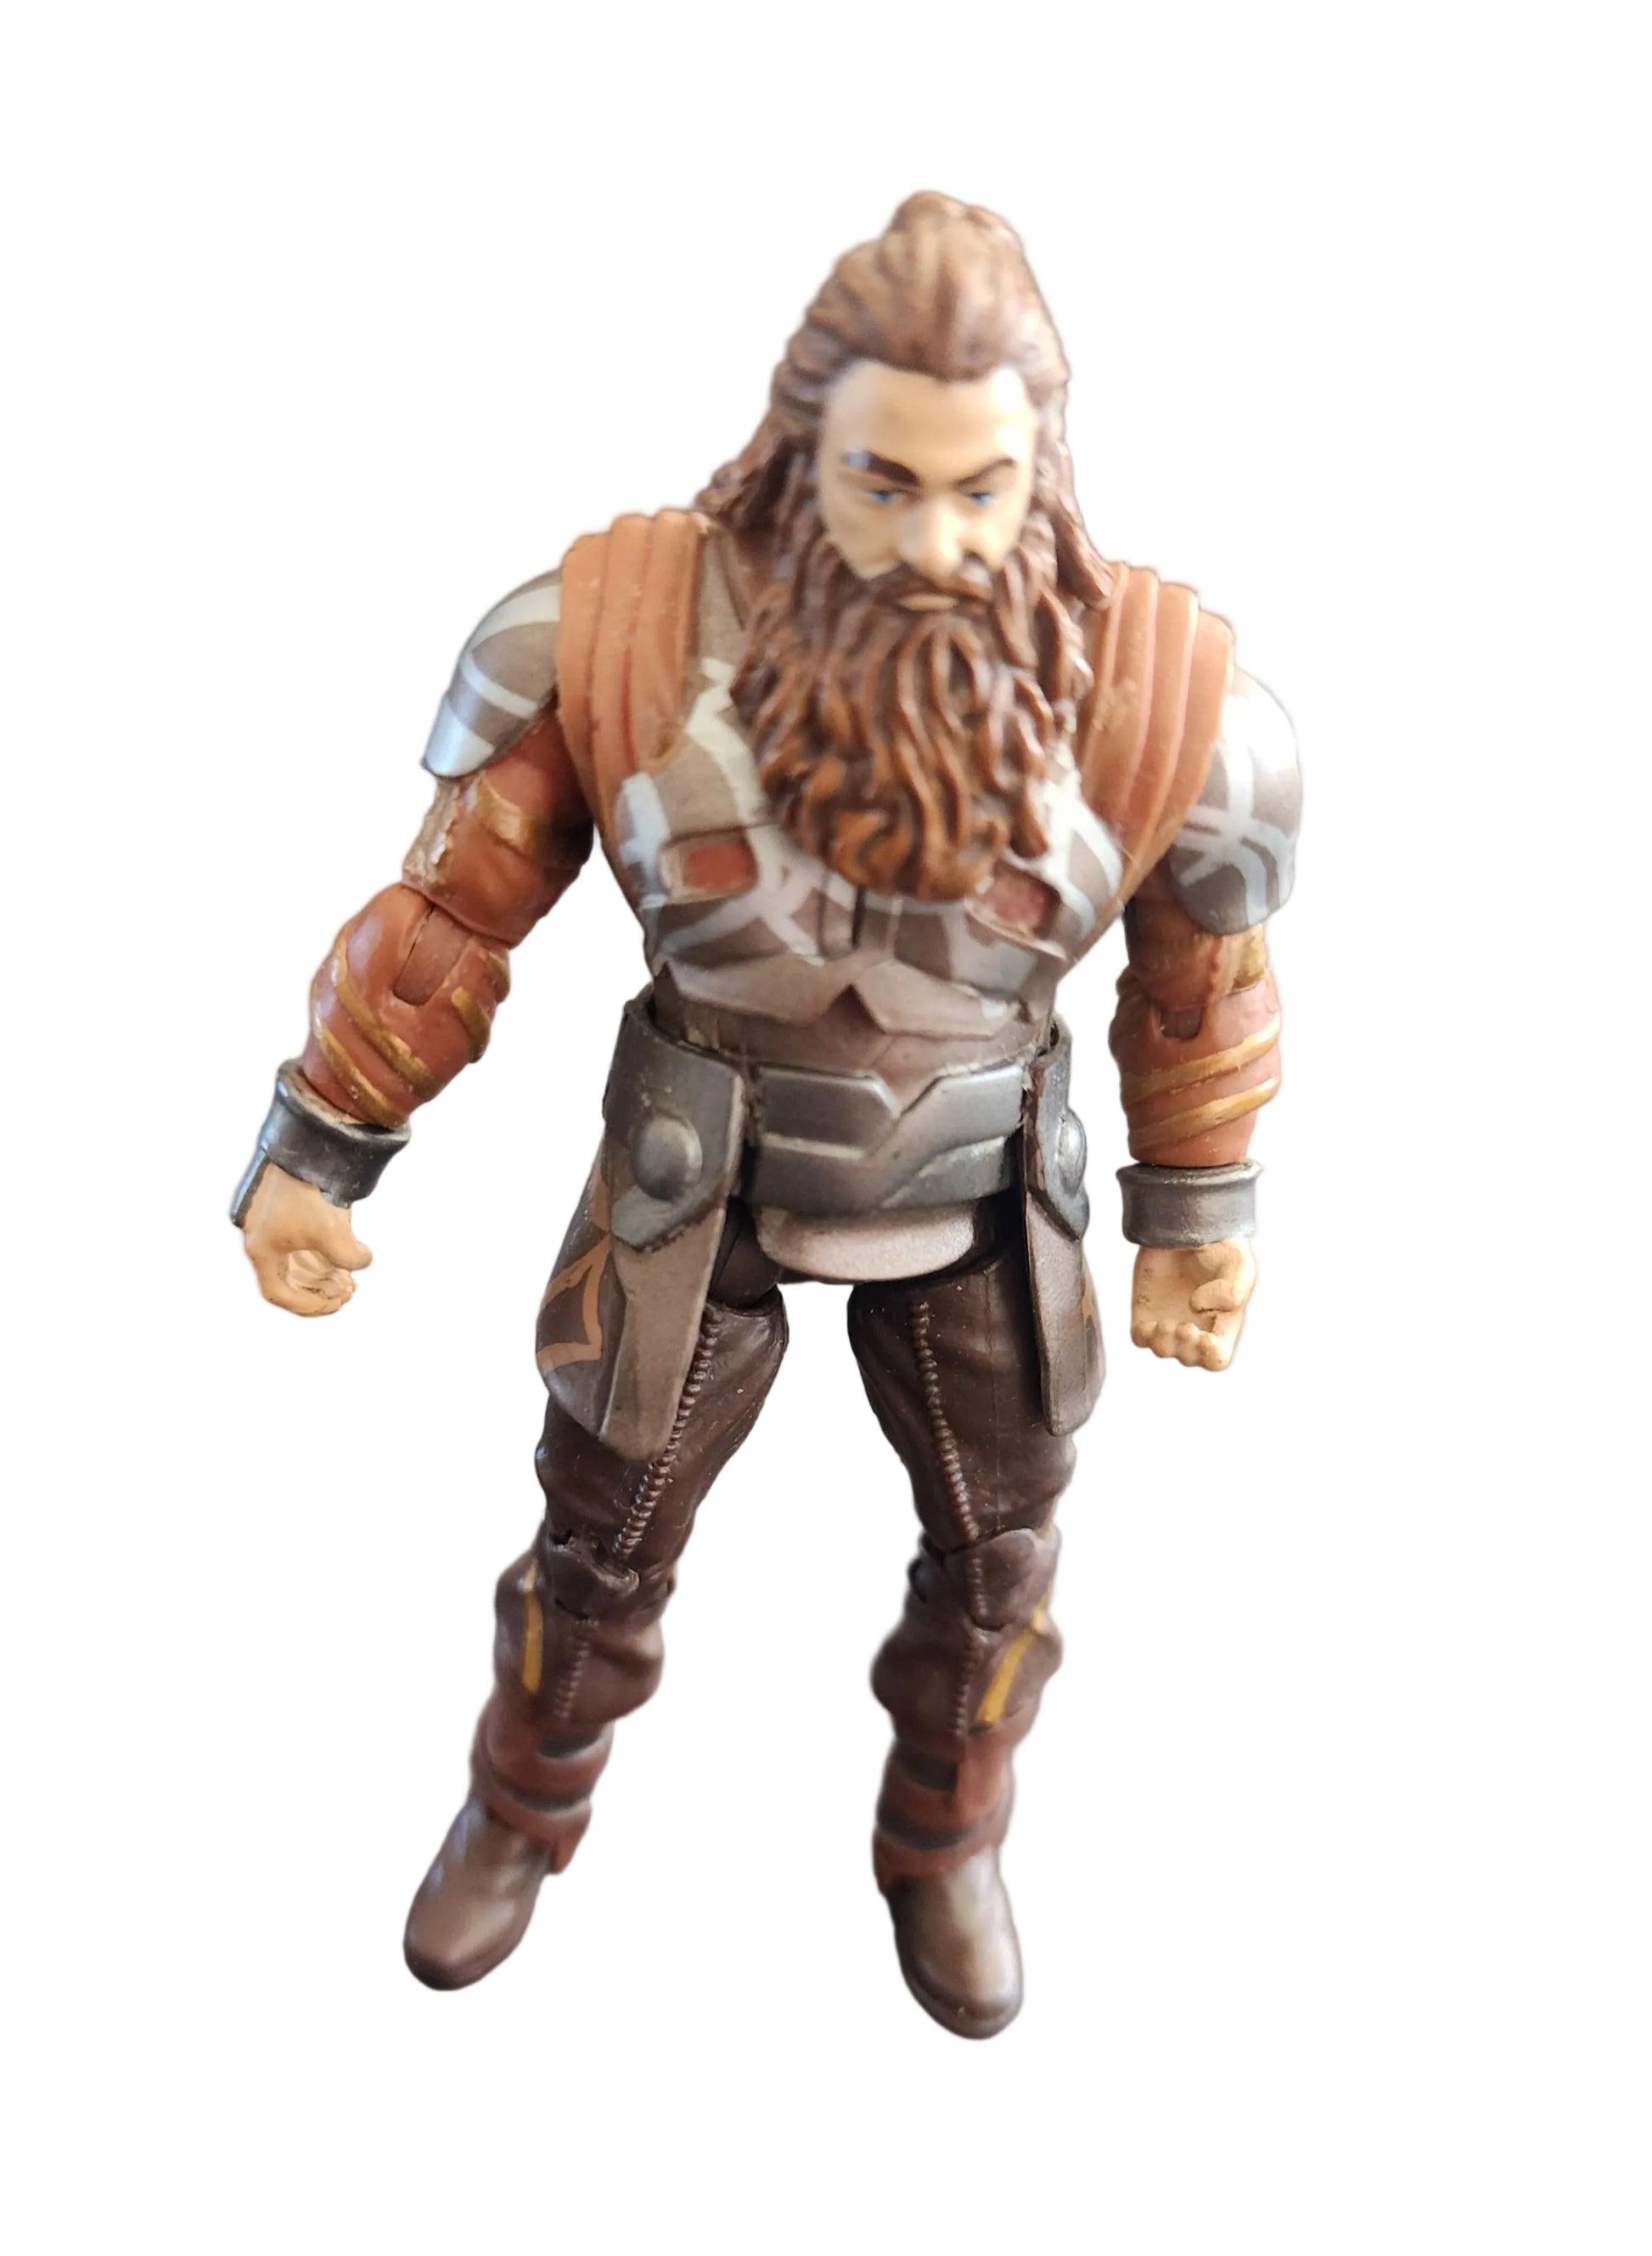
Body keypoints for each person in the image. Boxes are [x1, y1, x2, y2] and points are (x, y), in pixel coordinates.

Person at [234, 192, 1301, 2039]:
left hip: (987, 1184)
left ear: (1044, 464)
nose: (935, 542)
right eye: (883, 483)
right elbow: (448, 920)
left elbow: (1202, 981)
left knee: (1000, 1566)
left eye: (982, 489)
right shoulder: (615, 635)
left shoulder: (1165, 699)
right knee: (594, 1540)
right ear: (801, 442)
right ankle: (520, 1807)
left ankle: (945, 1835)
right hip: (694, 1175)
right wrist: (322, 1145)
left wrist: (1196, 1209)